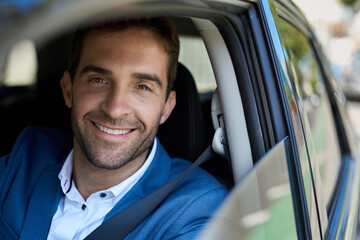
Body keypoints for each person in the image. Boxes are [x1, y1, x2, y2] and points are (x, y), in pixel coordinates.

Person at [0, 17, 227, 239]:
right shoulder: (27, 156)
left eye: (142, 87)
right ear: (68, 90)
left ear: (166, 108)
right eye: (99, 80)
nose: (115, 109)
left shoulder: (198, 208)